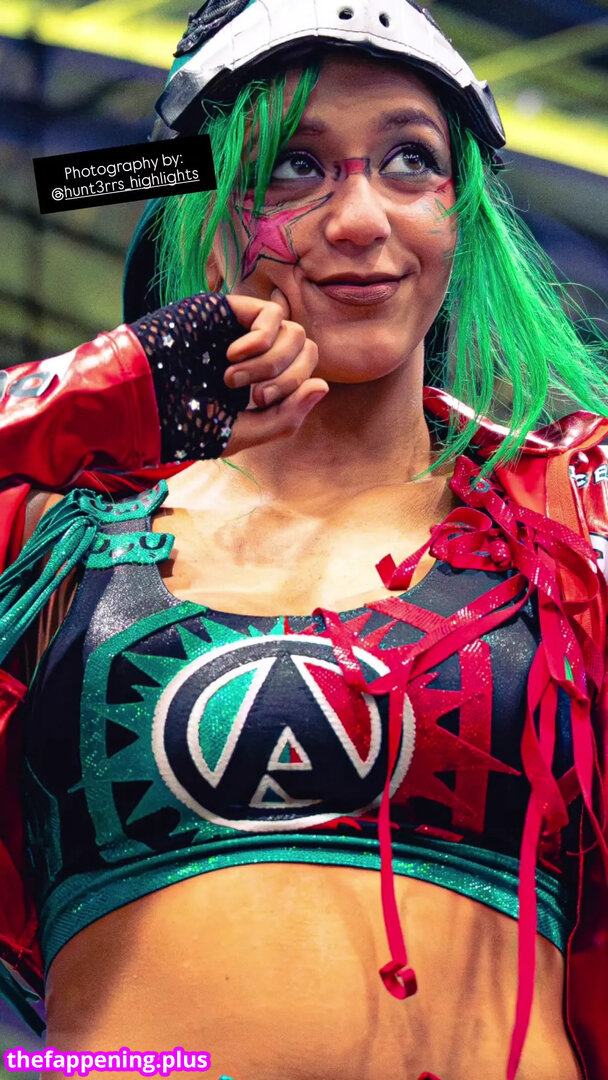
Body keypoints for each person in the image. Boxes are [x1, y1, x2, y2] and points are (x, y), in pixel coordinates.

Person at [0, 2, 608, 1079]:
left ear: (460, 216)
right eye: (291, 167)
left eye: (411, 161)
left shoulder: (574, 517)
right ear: (205, 212)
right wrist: (84, 400)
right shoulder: (56, 538)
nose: (361, 218)